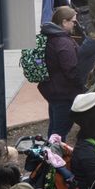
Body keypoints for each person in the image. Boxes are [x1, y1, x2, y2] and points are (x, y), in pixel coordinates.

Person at [36, 7, 82, 138]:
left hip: (53, 90)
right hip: (64, 94)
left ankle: (49, 155)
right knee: (59, 134)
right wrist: (82, 85)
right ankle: (53, 156)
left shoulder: (50, 36)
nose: (75, 24)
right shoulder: (63, 43)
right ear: (64, 22)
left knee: (54, 128)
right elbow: (71, 71)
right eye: (73, 21)